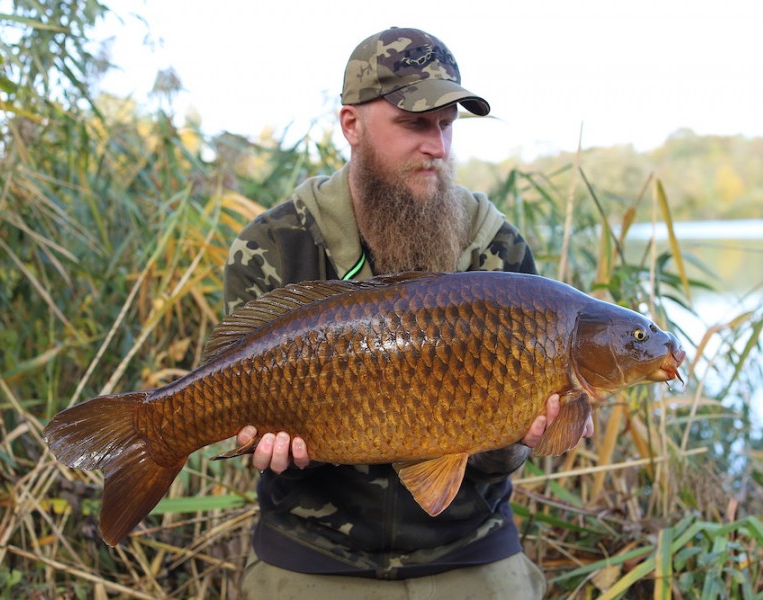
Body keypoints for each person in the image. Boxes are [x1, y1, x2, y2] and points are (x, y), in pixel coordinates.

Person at [223, 26, 591, 599]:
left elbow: (503, 459)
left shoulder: (499, 252)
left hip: (468, 546)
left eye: (447, 125)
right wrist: (276, 454)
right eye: (415, 123)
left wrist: (519, 436)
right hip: (312, 552)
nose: (437, 147)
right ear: (351, 125)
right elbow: (243, 402)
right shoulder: (275, 245)